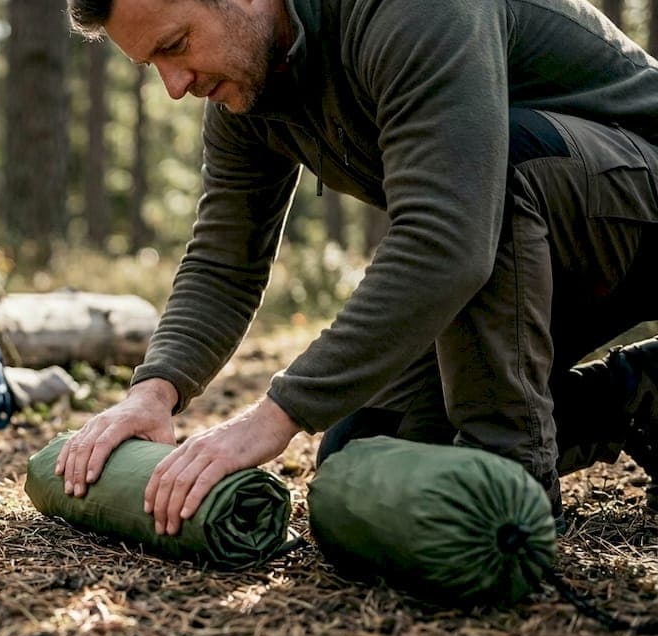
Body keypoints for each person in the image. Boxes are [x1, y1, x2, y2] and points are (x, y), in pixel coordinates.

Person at [55, 0, 658, 536]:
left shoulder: (413, 13)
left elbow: (444, 238)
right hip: (536, 248)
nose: (175, 86)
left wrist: (275, 415)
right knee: (367, 446)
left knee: (489, 175)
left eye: (176, 45)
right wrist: (154, 391)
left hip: (632, 202)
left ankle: (512, 485)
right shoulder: (249, 85)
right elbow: (224, 262)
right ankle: (637, 395)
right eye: (152, 64)